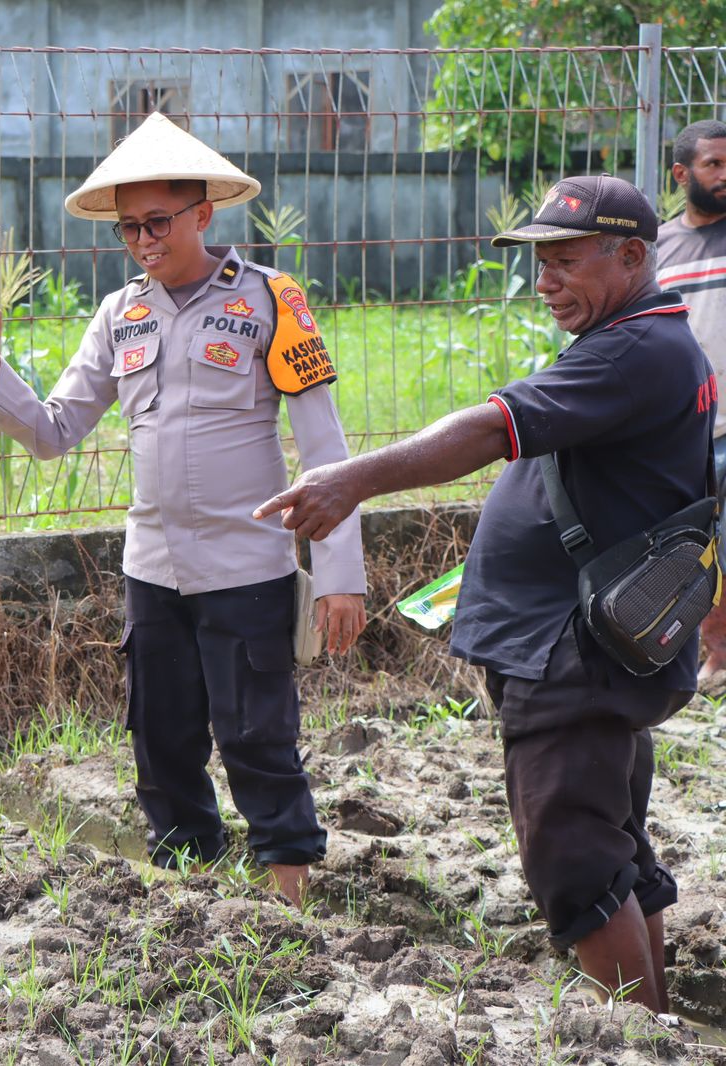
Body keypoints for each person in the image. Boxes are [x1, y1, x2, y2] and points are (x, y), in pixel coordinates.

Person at [255, 175, 714, 1013]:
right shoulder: (639, 340)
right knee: (611, 846)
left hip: (572, 657)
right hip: (585, 647)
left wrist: (352, 479)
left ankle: (641, 1037)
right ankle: (655, 1028)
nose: (545, 279)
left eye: (566, 260)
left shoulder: (635, 350)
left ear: (634, 256)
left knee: (575, 856)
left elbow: (486, 428)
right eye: (540, 262)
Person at [0, 112, 367, 907]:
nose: (144, 240)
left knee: (257, 738)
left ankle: (293, 896)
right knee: (160, 741)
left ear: (204, 213)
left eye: (159, 223)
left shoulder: (270, 302)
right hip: (154, 572)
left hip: (248, 568)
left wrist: (340, 573)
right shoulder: (120, 315)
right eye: (130, 228)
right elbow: (52, 431)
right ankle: (187, 892)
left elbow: (326, 452)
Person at [657, 119, 726, 681]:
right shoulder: (656, 248)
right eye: (714, 165)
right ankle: (717, 654)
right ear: (682, 174)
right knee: (699, 550)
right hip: (686, 430)